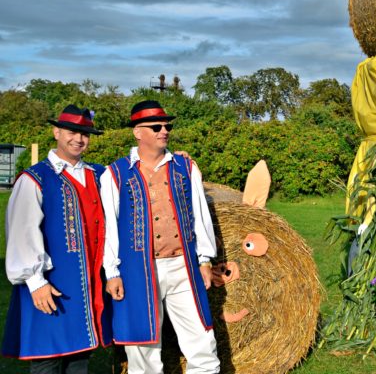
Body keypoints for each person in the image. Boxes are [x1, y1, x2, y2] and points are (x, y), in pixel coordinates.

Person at [100, 100, 219, 374]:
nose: (164, 130)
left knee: (203, 342)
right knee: (143, 350)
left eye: (167, 125)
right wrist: (112, 272)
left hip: (184, 267)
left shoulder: (186, 168)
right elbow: (109, 228)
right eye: (156, 126)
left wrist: (204, 259)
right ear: (137, 132)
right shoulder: (115, 174)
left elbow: (200, 216)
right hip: (138, 270)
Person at [2, 104, 112, 374]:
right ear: (56, 132)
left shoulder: (100, 175)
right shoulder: (35, 178)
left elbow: (137, 171)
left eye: (85, 133)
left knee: (79, 360)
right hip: (49, 285)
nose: (78, 138)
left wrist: (174, 156)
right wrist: (35, 281)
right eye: (71, 131)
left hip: (87, 285)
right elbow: (21, 232)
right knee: (47, 361)